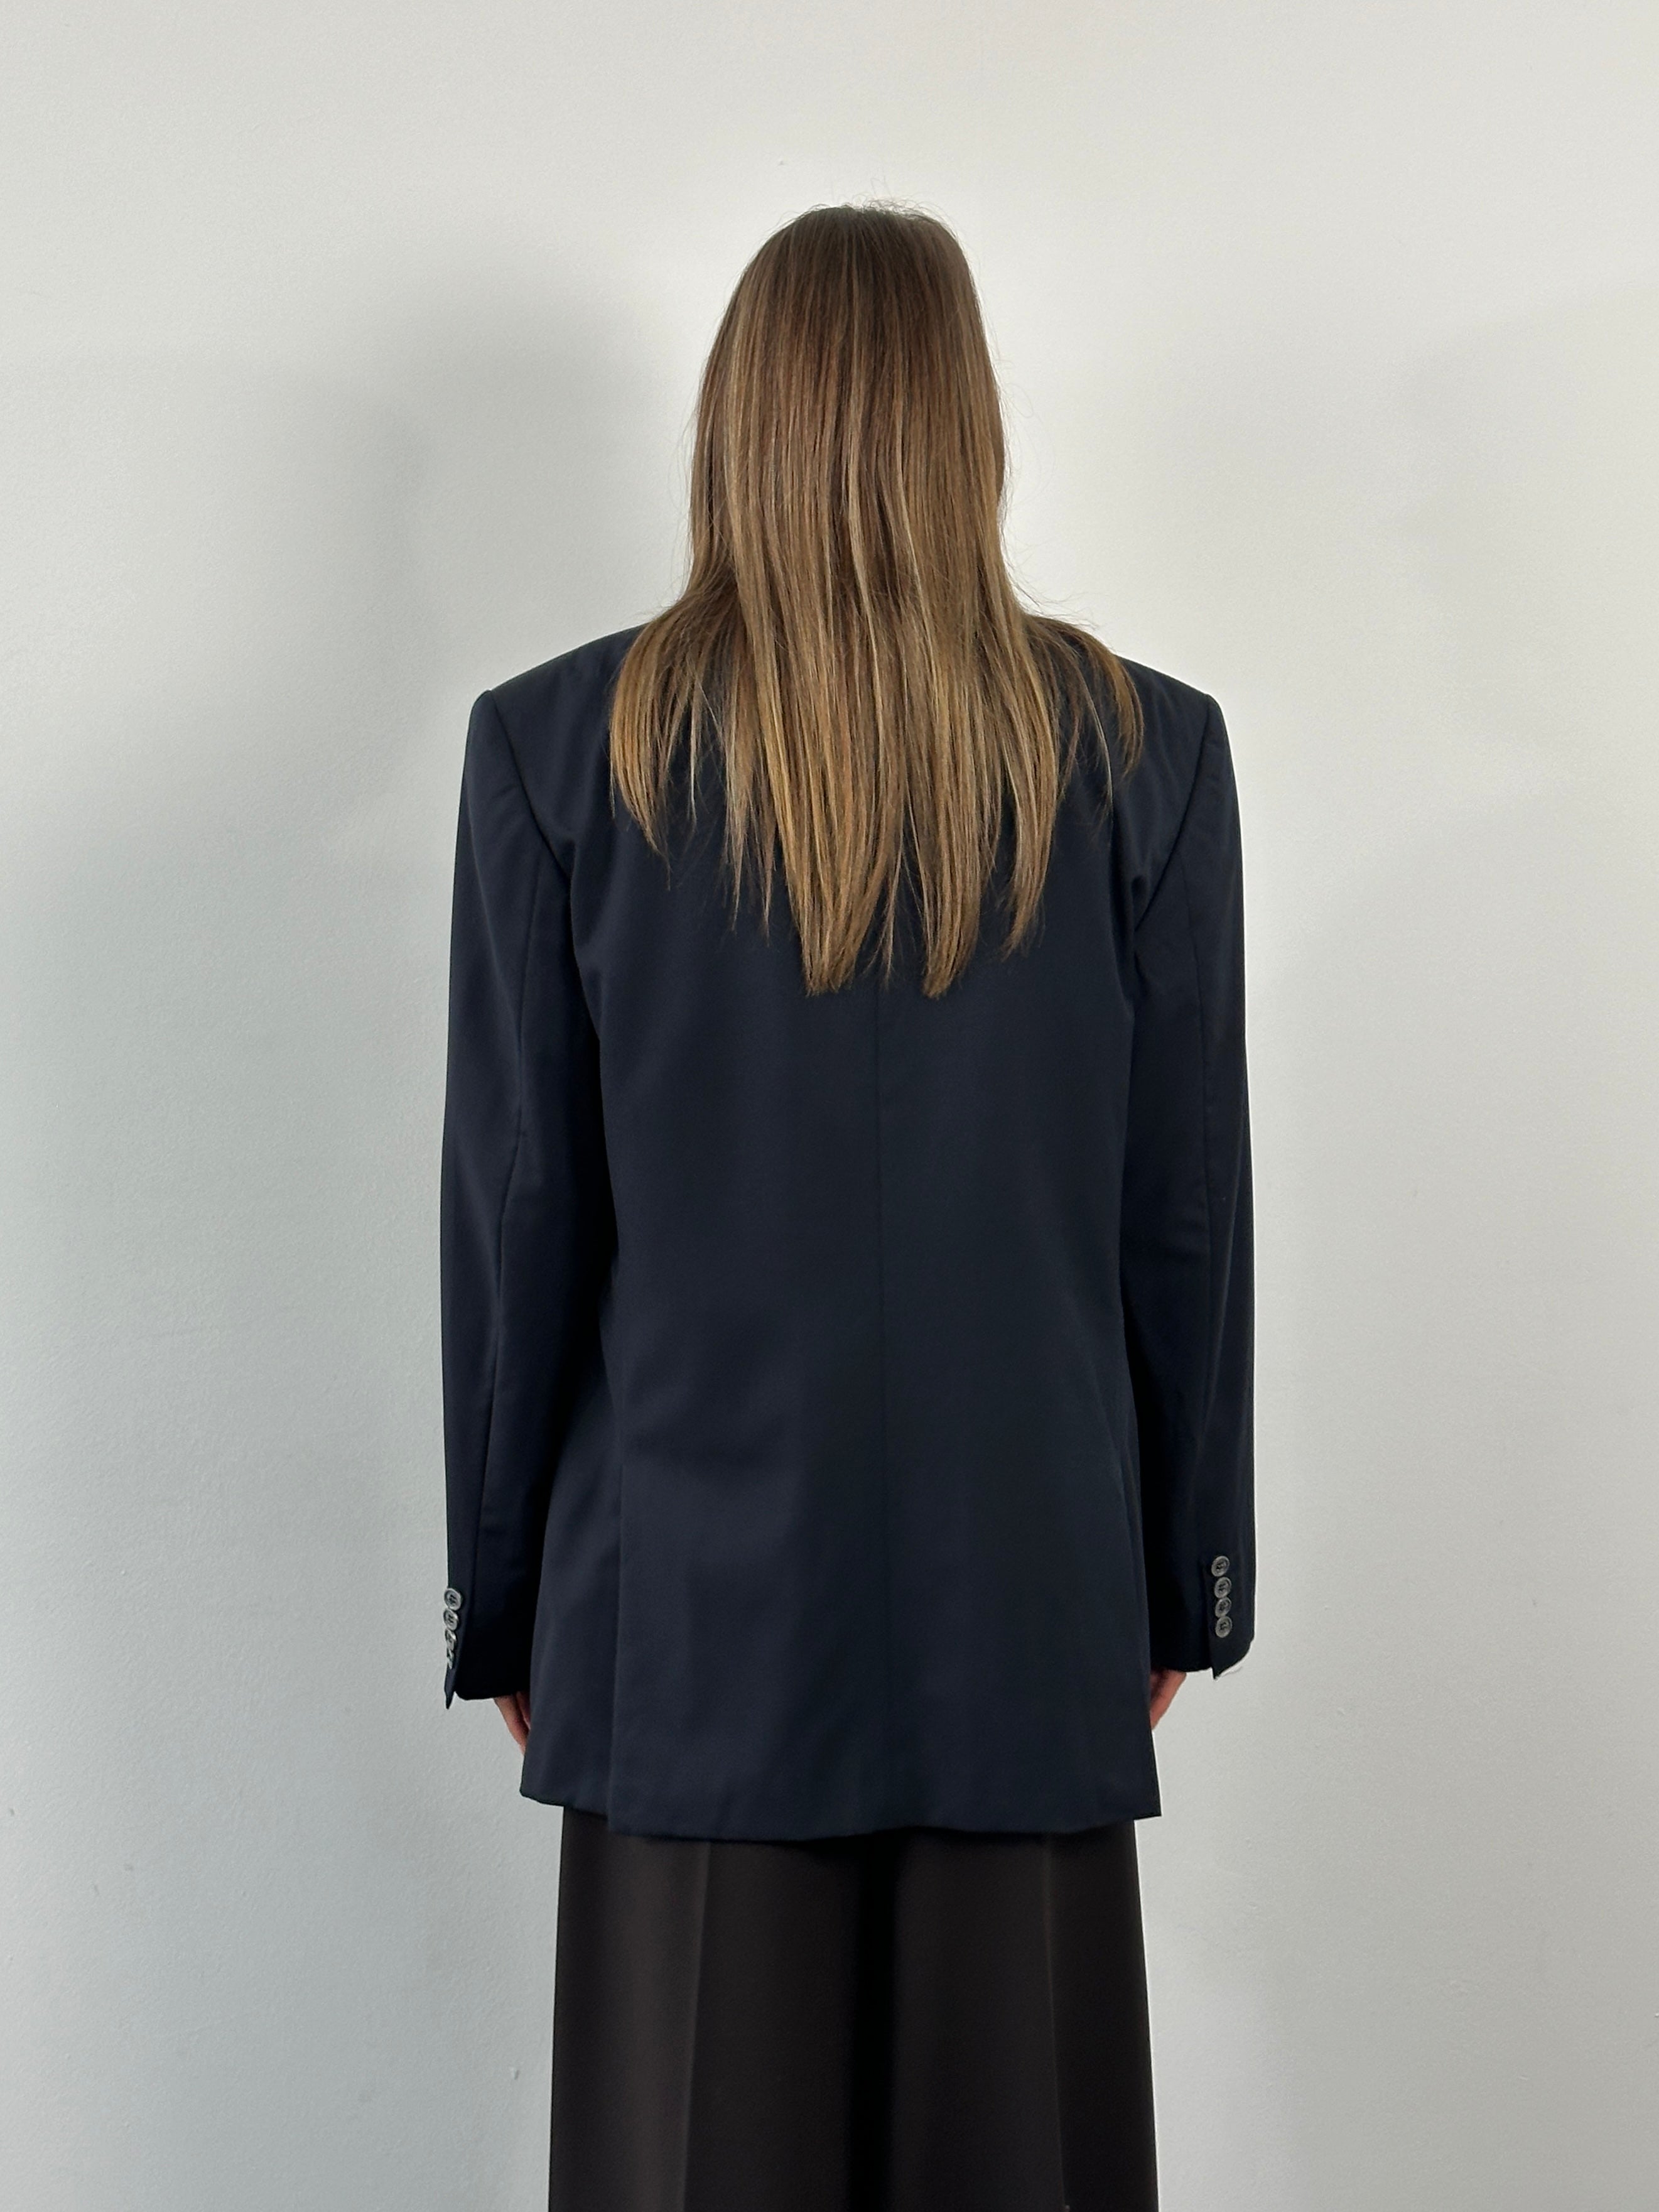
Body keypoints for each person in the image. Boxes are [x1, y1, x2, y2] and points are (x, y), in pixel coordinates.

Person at [438, 199, 1253, 2212]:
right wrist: (1178, 1575)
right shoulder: (1139, 755)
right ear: (967, 423)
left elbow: (521, 1220)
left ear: (737, 419)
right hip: (1026, 1598)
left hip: (690, 1617)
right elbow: (1180, 1219)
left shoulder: (564, 751)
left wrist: (509, 1591)